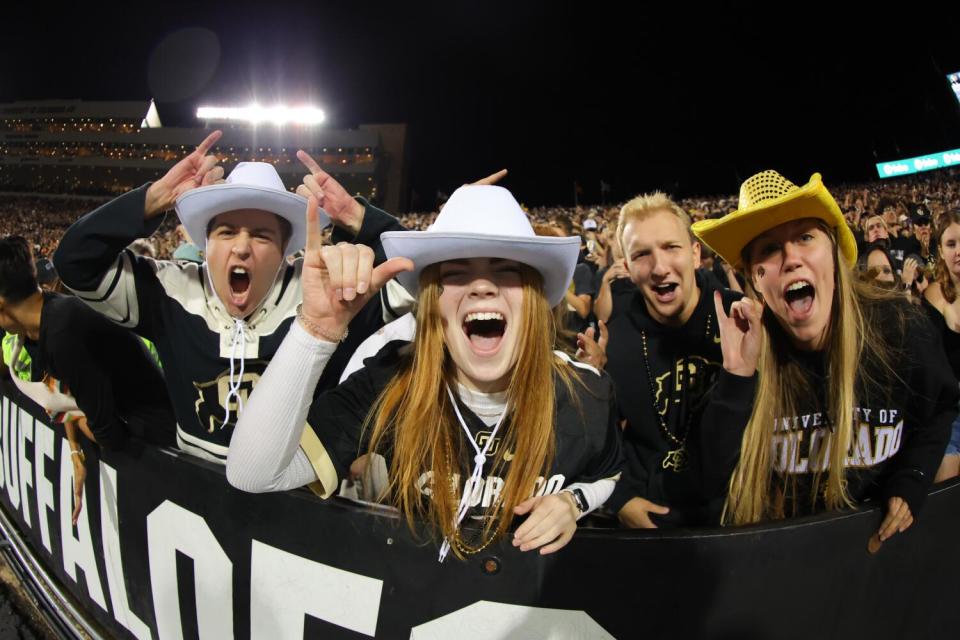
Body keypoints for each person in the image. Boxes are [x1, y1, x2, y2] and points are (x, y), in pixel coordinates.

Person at [227, 185, 623, 561]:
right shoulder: (392, 382)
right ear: (432, 302)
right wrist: (316, 329)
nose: (483, 286)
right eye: (456, 272)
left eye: (505, 271)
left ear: (536, 299)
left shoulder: (586, 391)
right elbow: (252, 474)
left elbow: (608, 473)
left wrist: (574, 502)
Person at [53, 132, 399, 462]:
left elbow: (427, 281)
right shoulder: (170, 290)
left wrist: (358, 217)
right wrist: (153, 199)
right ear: (206, 246)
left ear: (284, 252)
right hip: (194, 503)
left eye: (262, 235)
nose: (242, 247)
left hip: (296, 501)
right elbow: (74, 261)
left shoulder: (326, 298)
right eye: (227, 231)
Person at [692, 170, 957, 547]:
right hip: (799, 564)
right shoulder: (748, 353)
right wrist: (737, 376)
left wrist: (912, 475)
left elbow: (940, 410)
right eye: (768, 249)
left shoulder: (899, 326)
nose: (791, 259)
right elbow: (709, 484)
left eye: (804, 237)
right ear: (755, 277)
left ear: (833, 255)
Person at [597, 192, 758, 528]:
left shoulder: (741, 317)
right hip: (648, 523)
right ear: (626, 267)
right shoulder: (615, 336)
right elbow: (595, 441)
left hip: (737, 520)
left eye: (671, 247)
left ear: (696, 253)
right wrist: (619, 497)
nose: (659, 267)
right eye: (642, 254)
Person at [0, 236, 176, 522]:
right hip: (139, 428)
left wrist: (78, 418)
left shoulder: (61, 333)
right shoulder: (43, 318)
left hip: (156, 439)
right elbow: (67, 396)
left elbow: (110, 436)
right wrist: (74, 451)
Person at [921, 208, 960, 481]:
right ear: (941, 250)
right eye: (951, 244)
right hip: (951, 411)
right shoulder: (932, 295)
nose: (959, 250)